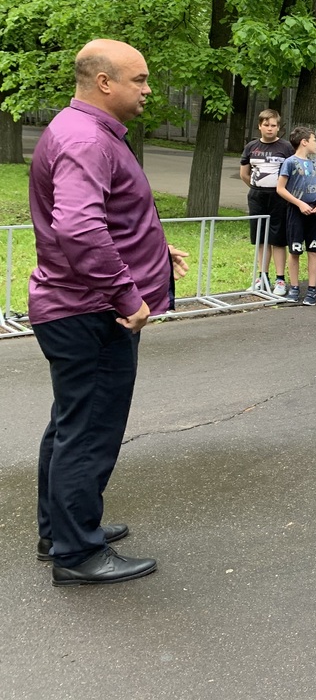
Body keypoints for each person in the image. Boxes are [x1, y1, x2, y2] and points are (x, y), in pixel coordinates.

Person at [31, 38, 189, 585]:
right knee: (89, 430)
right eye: (139, 79)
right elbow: (78, 227)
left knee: (71, 423)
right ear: (104, 82)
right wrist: (127, 295)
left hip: (77, 307)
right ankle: (77, 553)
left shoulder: (84, 132)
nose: (148, 89)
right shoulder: (86, 139)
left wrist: (155, 250)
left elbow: (107, 217)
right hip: (93, 311)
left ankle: (59, 531)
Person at [239, 108, 292, 296]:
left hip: (279, 198)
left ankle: (280, 280)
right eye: (266, 125)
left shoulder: (286, 148)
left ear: (278, 127)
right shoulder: (251, 147)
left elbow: (292, 173)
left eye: (274, 125)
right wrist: (257, 187)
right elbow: (244, 174)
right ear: (260, 126)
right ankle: (262, 277)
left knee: (278, 239)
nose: (270, 128)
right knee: (260, 238)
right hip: (257, 197)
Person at [276, 125, 316, 306]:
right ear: (304, 142)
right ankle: (294, 287)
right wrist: (299, 204)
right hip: (296, 211)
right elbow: (280, 188)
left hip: (315, 211)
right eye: (314, 140)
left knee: (313, 250)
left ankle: (312, 289)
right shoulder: (289, 162)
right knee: (295, 250)